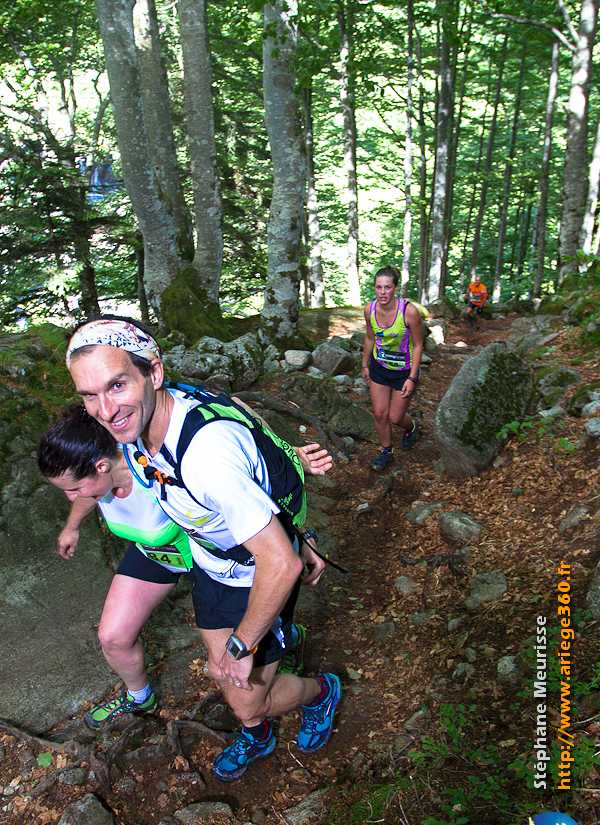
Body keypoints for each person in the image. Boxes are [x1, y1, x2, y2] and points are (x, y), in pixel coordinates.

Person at [64, 316, 341, 782]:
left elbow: (280, 562)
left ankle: (319, 692)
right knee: (220, 671)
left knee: (246, 696)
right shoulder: (153, 411)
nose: (105, 410)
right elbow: (238, 410)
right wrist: (287, 456)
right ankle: (257, 732)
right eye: (89, 395)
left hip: (256, 576)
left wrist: (244, 642)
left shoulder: (208, 457)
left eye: (116, 385)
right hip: (210, 564)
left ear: (153, 373)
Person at [38, 404, 194, 730]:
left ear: (101, 466)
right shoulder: (100, 481)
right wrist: (72, 527)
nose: (71, 497)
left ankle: (287, 638)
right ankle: (140, 697)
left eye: (74, 488)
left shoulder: (156, 470)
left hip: (209, 555)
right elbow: (88, 494)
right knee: (113, 637)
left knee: (239, 642)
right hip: (155, 553)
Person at [362, 265, 423, 471]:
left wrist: (412, 378)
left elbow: (418, 345)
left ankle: (412, 426)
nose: (382, 292)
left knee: (396, 418)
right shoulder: (369, 310)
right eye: (378, 287)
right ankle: (386, 451)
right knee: (380, 414)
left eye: (387, 287)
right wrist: (364, 364)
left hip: (404, 372)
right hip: (379, 367)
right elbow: (370, 337)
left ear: (396, 288)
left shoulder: (409, 311)